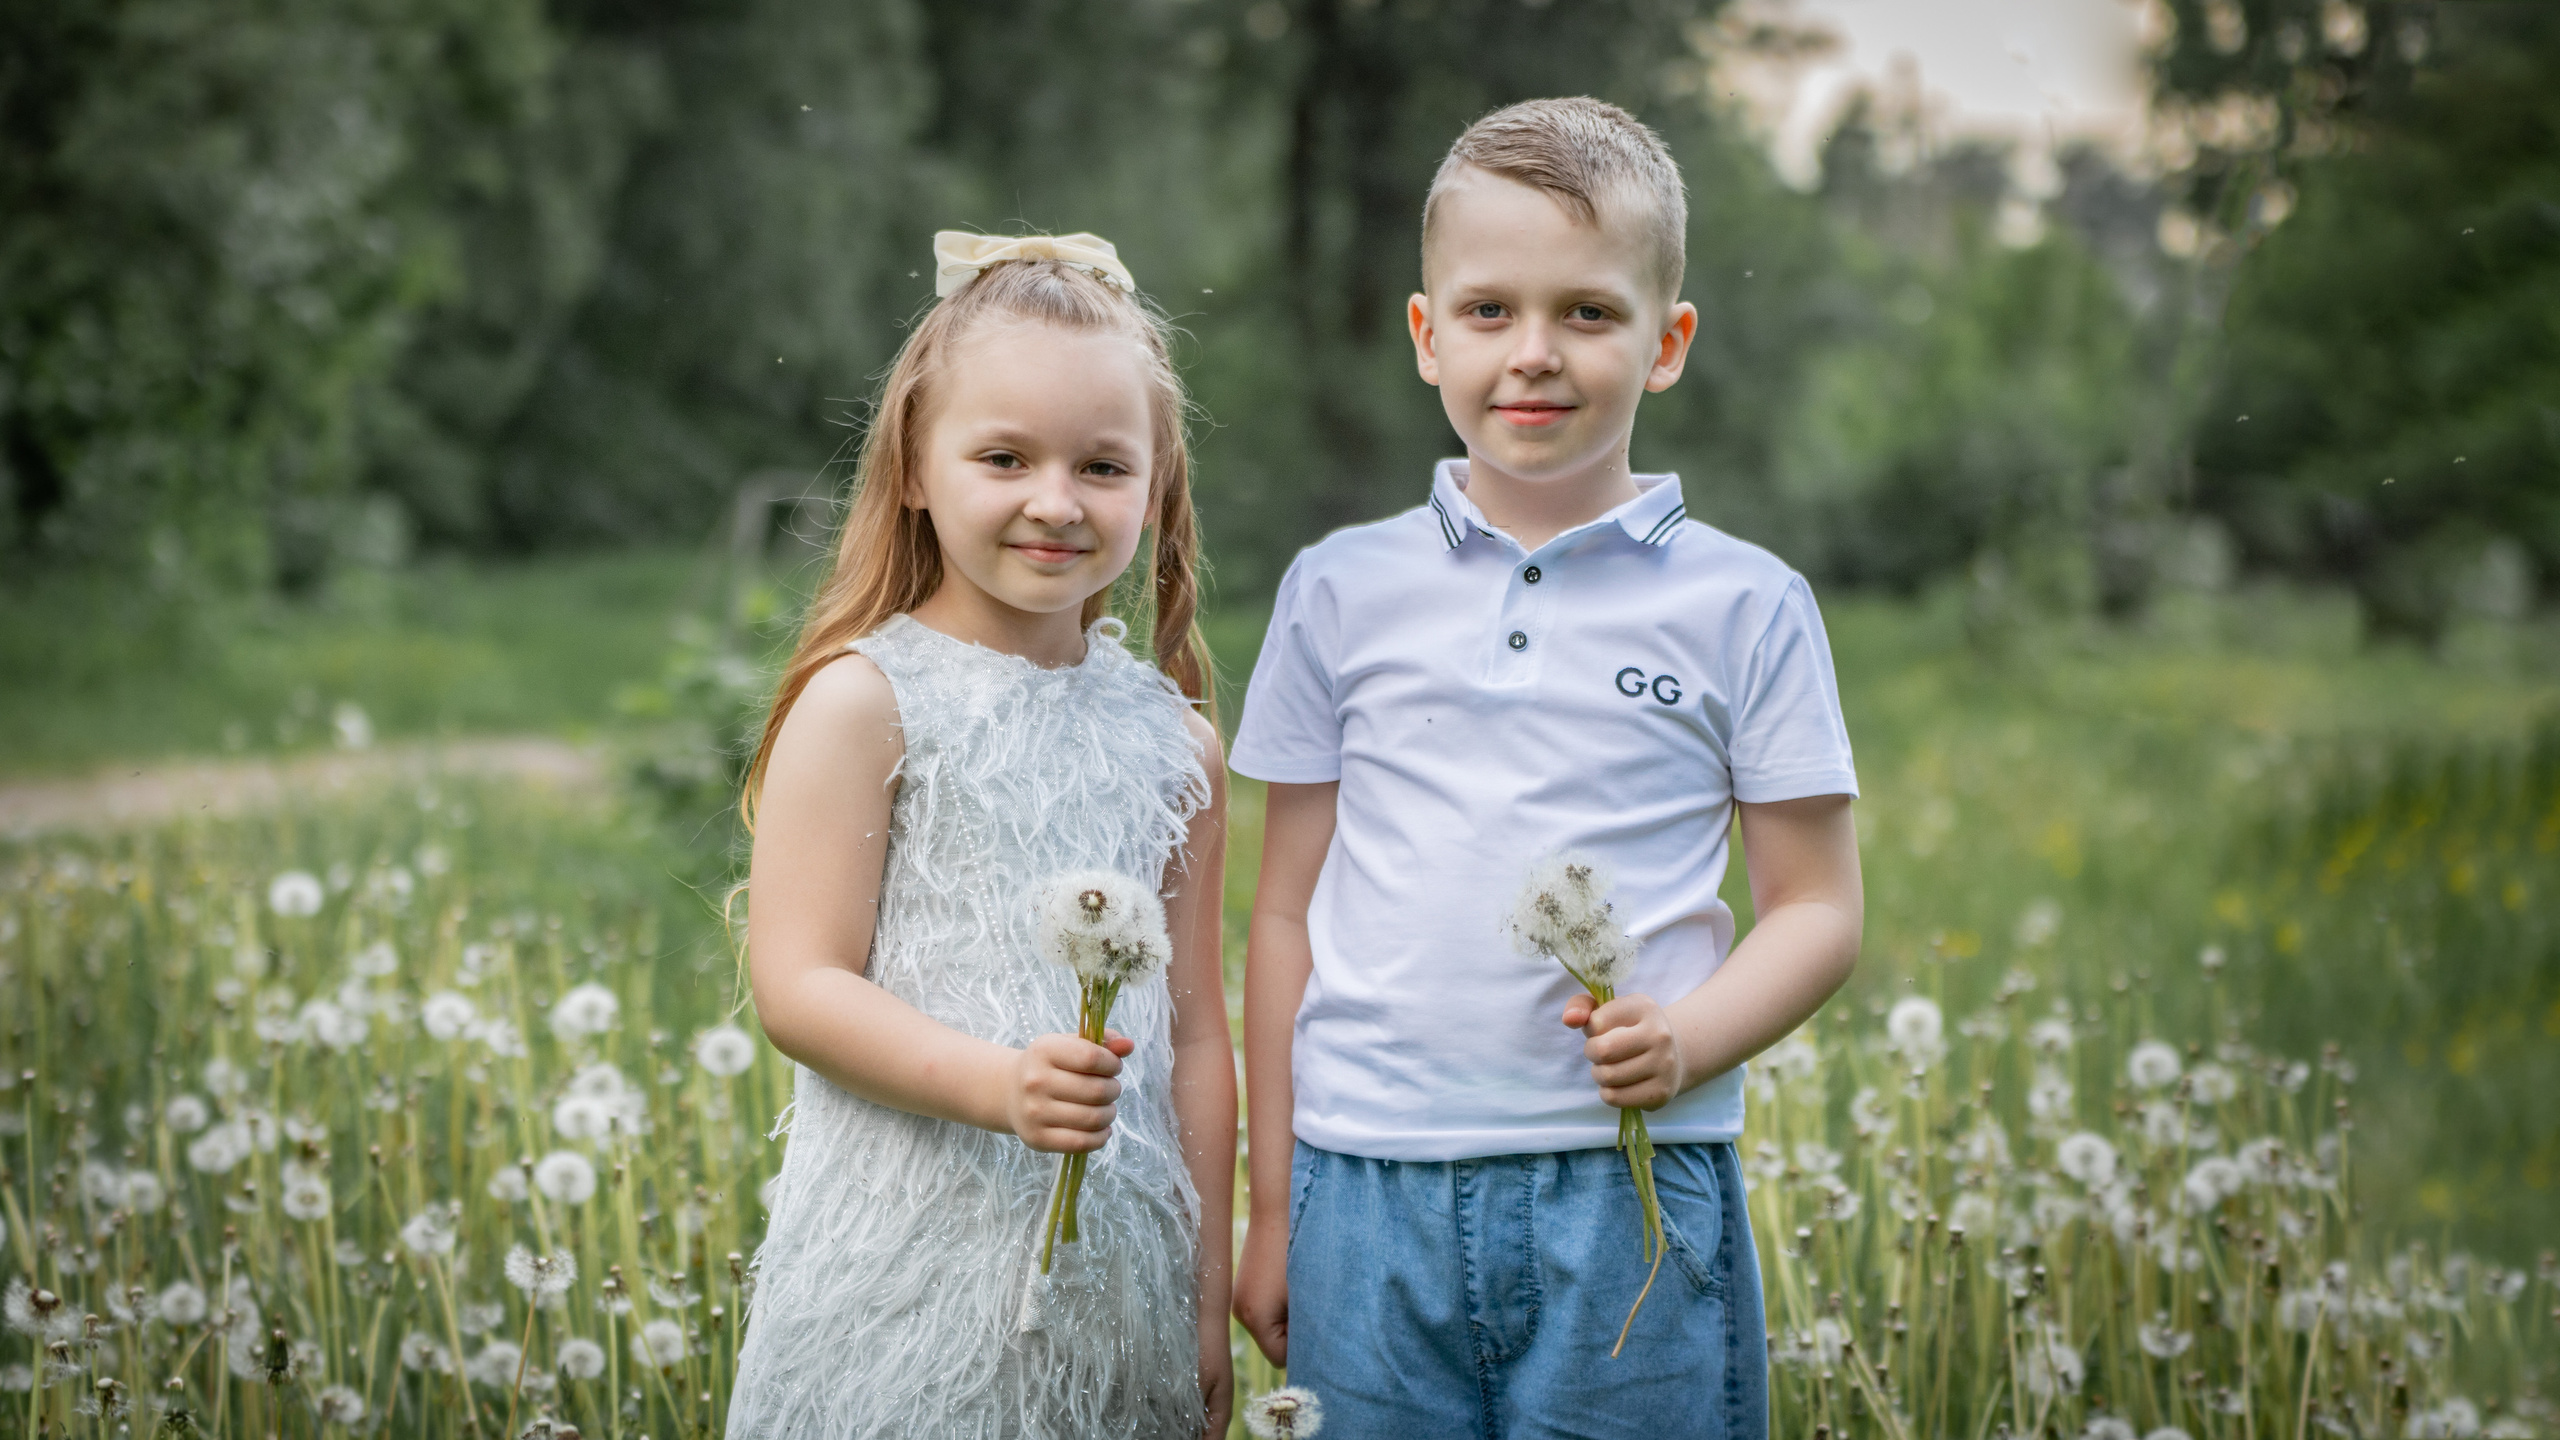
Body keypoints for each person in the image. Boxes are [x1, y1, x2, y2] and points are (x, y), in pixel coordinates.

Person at [1230, 98, 1865, 1438]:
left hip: (1632, 1191)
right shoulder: (1340, 589)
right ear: (1425, 336)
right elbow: (1284, 911)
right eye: (1488, 313)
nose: (1535, 355)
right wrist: (1276, 1205)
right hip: (1367, 1186)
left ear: (1668, 341)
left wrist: (1690, 1038)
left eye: (1588, 312)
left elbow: (1817, 909)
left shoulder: (1747, 604)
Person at [726, 232, 1234, 1439]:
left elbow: (1198, 1036)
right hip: (902, 1281)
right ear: (912, 464)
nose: (1054, 502)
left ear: (1158, 486)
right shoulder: (867, 703)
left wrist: (1203, 1302)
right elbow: (798, 984)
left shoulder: (1179, 747)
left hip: (1119, 1303)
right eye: (1003, 457)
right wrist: (999, 1085)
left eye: (1103, 466)